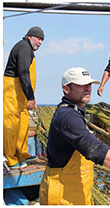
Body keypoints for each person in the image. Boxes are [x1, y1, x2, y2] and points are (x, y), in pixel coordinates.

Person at [39, 67, 110, 205]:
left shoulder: (74, 112)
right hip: (62, 194)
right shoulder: (68, 117)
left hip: (77, 191)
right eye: (81, 84)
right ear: (66, 89)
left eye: (89, 84)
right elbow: (94, 149)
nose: (88, 88)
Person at [4, 26, 44, 169]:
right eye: (38, 38)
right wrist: (31, 97)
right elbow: (23, 73)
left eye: (42, 40)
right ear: (30, 36)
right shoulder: (24, 48)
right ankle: (11, 159)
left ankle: (21, 154)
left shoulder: (28, 50)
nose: (40, 42)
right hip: (12, 92)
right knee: (11, 125)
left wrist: (28, 97)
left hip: (21, 95)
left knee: (23, 123)